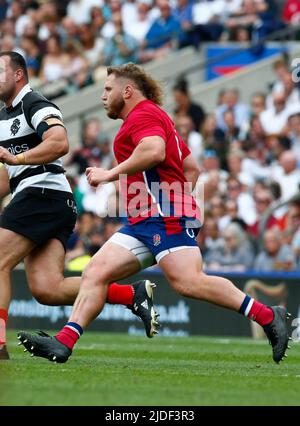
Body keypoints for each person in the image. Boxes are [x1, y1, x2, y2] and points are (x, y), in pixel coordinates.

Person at [19, 63, 291, 364]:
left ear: (127, 90)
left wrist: (113, 175)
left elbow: (154, 152)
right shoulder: (155, 116)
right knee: (95, 272)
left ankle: (268, 316)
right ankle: (65, 341)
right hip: (146, 218)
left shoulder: (143, 114)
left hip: (162, 215)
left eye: (108, 89)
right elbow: (191, 168)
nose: (102, 96)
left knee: (189, 282)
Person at [0, 52, 160, 360]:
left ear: (19, 75)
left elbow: (59, 143)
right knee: (48, 289)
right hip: (45, 197)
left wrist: (17, 158)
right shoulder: (5, 116)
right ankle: (130, 294)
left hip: (43, 194)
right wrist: (15, 162)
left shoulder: (35, 104)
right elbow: (9, 176)